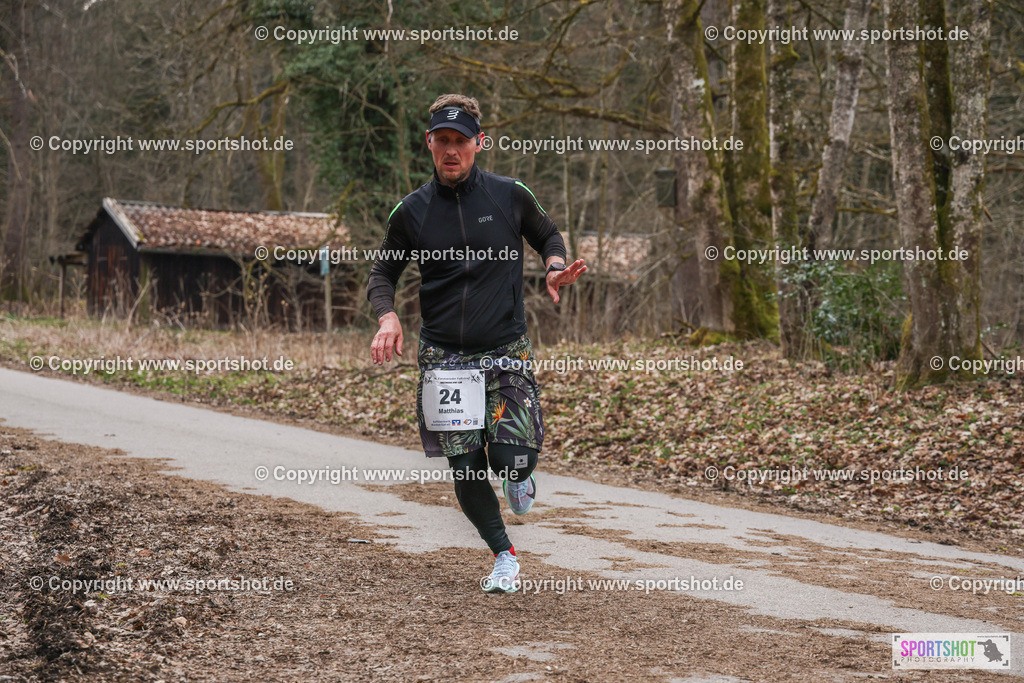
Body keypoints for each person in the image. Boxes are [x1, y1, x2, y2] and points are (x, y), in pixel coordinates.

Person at [367, 93, 586, 593]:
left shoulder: (509, 195)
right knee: (465, 467)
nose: (451, 150)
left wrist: (555, 267)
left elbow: (550, 236)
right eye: (442, 141)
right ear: (429, 143)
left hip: (505, 345)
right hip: (444, 357)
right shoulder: (412, 211)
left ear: (478, 144)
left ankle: (518, 474)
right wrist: (387, 317)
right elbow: (383, 271)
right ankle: (504, 555)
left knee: (513, 458)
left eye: (460, 141)